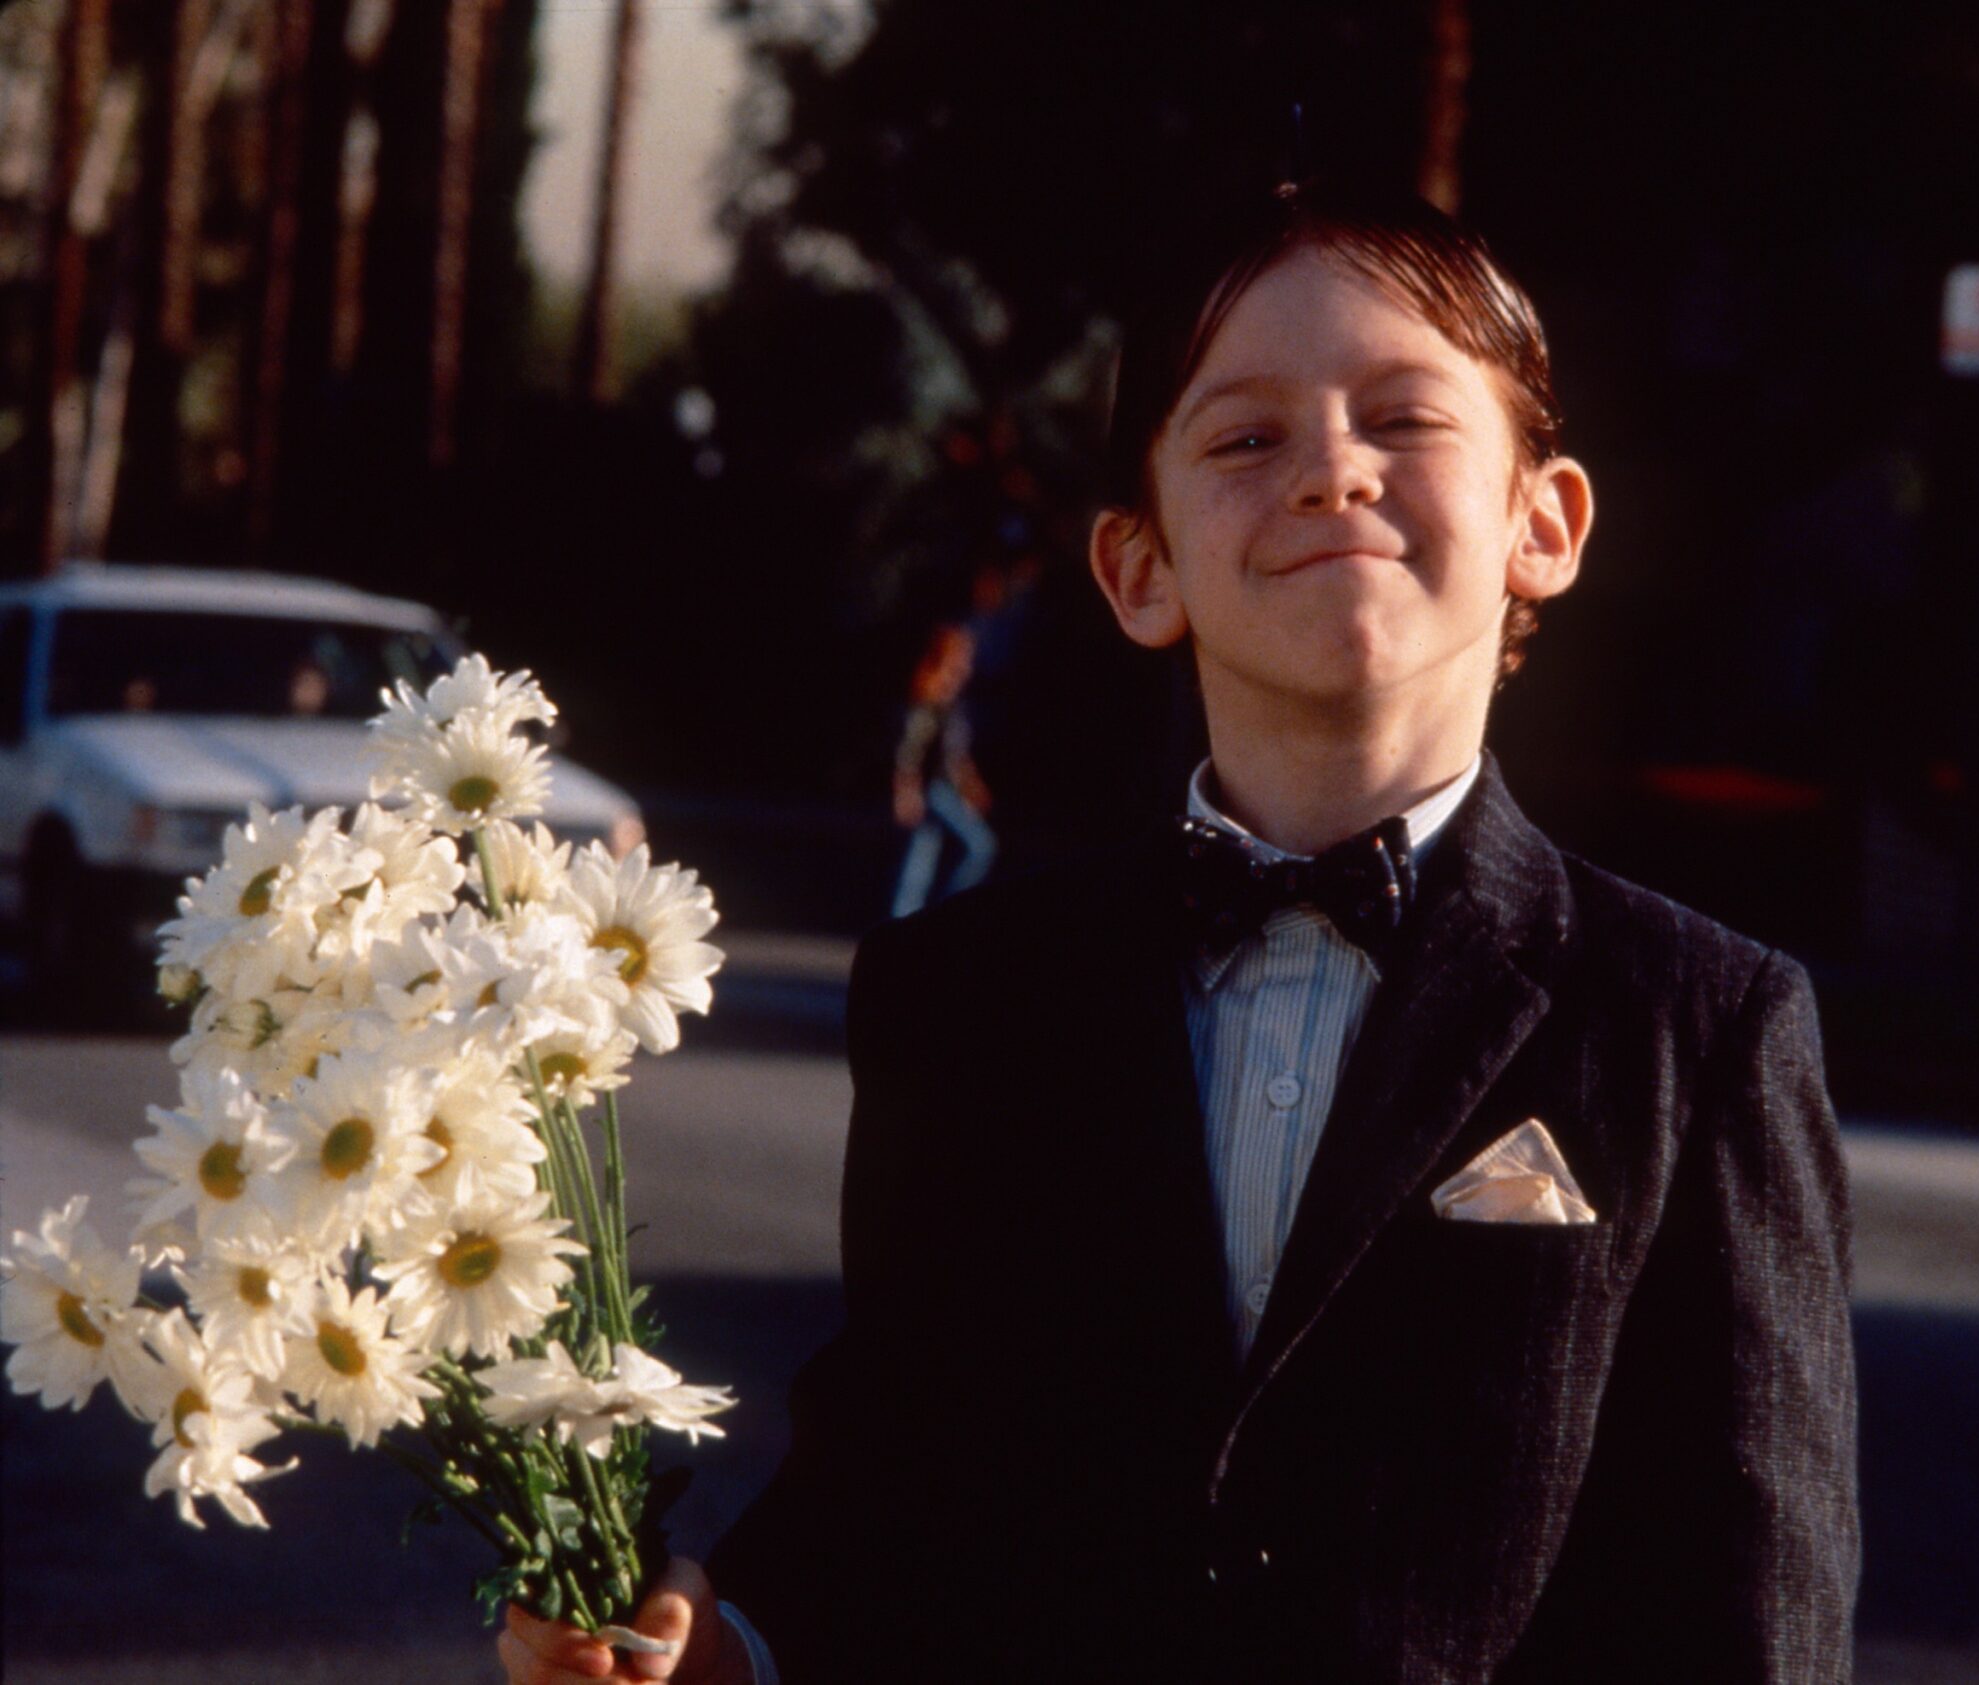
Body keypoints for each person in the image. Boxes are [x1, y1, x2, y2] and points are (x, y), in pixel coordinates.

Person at [499, 181, 1857, 1685]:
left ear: (1545, 522)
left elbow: (1750, 1624)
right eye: (1245, 438)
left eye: (1406, 420)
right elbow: (886, 1505)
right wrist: (719, 1646)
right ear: (1140, 570)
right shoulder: (964, 1000)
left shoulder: (1699, 1024)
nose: (1332, 470)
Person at [887, 622, 998, 918]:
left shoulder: (953, 699)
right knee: (981, 846)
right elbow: (910, 750)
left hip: (946, 788)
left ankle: (906, 921)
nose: (967, 663)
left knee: (920, 862)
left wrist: (972, 786)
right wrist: (905, 791)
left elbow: (958, 755)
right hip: (934, 790)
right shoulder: (931, 695)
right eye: (962, 655)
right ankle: (950, 911)